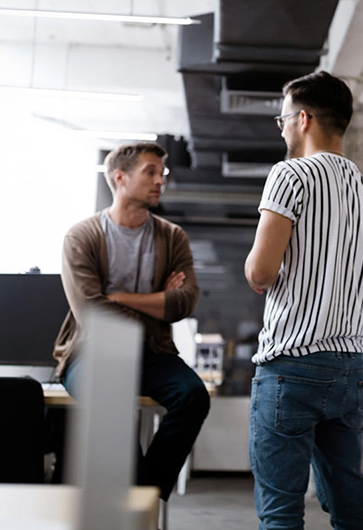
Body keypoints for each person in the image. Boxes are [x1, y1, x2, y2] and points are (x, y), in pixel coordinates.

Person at [244, 71, 363, 530]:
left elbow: (259, 272)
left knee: (281, 509)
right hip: (348, 368)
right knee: (349, 501)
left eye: (283, 118)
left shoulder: (290, 175)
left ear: (303, 118)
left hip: (290, 363)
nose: (283, 127)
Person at [53, 141, 209, 500]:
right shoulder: (82, 236)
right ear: (120, 178)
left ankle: (145, 499)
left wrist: (120, 298)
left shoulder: (172, 237)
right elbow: (91, 312)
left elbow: (185, 302)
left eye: (162, 174)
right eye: (150, 173)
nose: (160, 181)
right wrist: (157, 303)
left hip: (153, 351)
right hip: (92, 352)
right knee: (112, 402)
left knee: (193, 397)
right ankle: (141, 508)